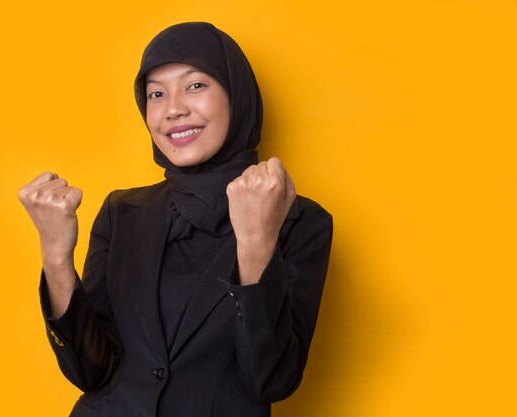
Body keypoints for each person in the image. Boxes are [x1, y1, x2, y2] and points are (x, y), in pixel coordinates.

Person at [18, 22, 333, 417]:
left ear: (237, 95)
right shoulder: (122, 213)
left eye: (196, 85)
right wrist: (56, 256)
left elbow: (270, 381)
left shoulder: (300, 221)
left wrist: (255, 245)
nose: (173, 109)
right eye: (156, 94)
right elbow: (90, 371)